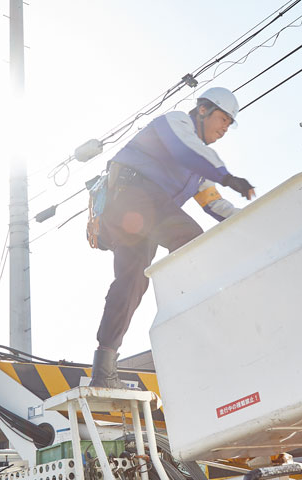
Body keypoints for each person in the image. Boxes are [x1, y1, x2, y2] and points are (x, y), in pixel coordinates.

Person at [89, 87, 255, 388]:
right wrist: (228, 176)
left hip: (142, 215)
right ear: (202, 110)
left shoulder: (199, 170)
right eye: (223, 119)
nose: (224, 128)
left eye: (230, 124)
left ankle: (103, 369)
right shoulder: (176, 124)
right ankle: (192, 318)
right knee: (190, 238)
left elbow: (215, 205)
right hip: (134, 197)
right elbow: (186, 150)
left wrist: (253, 217)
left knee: (132, 283)